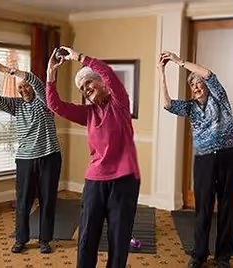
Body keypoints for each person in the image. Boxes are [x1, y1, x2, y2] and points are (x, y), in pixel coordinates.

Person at [45, 46, 141, 268]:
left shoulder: (120, 104)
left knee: (118, 239)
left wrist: (79, 57)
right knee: (87, 236)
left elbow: (107, 71)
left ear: (102, 83)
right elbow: (55, 105)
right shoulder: (88, 114)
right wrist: (51, 74)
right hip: (95, 181)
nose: (85, 89)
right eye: (82, 88)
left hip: (123, 181)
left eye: (88, 83)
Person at [158, 51, 233, 268]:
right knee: (203, 207)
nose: (195, 86)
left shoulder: (219, 97)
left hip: (229, 155)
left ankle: (223, 257)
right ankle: (199, 254)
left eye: (198, 82)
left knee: (227, 206)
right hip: (204, 160)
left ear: (206, 85)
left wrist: (179, 62)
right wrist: (161, 72)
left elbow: (209, 74)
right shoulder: (190, 107)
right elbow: (166, 104)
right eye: (192, 84)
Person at [0, 59, 62, 254]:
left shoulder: (44, 102)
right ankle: (21, 239)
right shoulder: (16, 106)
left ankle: (44, 240)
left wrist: (4, 69)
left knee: (47, 199)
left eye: (26, 85)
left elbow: (34, 80)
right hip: (25, 158)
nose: (24, 89)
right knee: (23, 201)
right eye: (21, 87)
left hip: (49, 156)